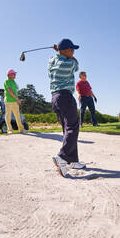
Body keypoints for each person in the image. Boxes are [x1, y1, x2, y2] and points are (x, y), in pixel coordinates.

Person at [48, 38, 86, 177]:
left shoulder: (52, 61)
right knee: (73, 127)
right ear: (66, 51)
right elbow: (76, 64)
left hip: (55, 98)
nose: (73, 52)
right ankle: (62, 157)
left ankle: (72, 161)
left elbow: (56, 57)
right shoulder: (68, 63)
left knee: (67, 129)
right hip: (65, 96)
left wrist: (58, 51)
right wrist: (61, 51)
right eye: (72, 50)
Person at [4, 69, 24, 134]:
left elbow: (16, 92)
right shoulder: (7, 81)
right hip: (8, 101)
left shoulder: (14, 82)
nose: (15, 75)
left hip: (14, 101)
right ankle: (9, 129)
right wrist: (17, 99)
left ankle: (21, 129)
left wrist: (17, 100)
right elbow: (10, 91)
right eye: (13, 74)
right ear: (9, 75)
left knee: (18, 115)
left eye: (15, 74)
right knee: (8, 116)